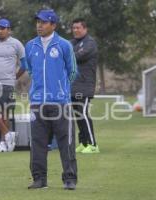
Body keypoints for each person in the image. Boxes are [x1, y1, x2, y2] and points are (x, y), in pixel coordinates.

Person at [25, 9, 78, 190]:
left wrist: (61, 90)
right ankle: (39, 179)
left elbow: (72, 71)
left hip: (60, 103)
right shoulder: (30, 46)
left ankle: (69, 179)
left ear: (53, 25)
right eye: (38, 22)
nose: (39, 25)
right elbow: (30, 70)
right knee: (38, 143)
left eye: (44, 22)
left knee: (66, 142)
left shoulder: (64, 45)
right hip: (38, 103)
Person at [0, 18, 27, 152]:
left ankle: (3, 143)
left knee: (5, 113)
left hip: (9, 85)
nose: (0, 31)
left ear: (9, 30)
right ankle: (8, 134)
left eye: (3, 28)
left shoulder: (16, 44)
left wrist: (15, 77)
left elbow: (25, 64)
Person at [70, 18, 99, 153]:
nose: (75, 30)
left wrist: (67, 56)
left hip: (85, 85)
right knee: (77, 114)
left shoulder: (90, 43)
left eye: (78, 28)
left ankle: (93, 145)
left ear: (85, 29)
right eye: (74, 28)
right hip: (73, 85)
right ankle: (84, 142)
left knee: (83, 113)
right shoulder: (72, 43)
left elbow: (77, 57)